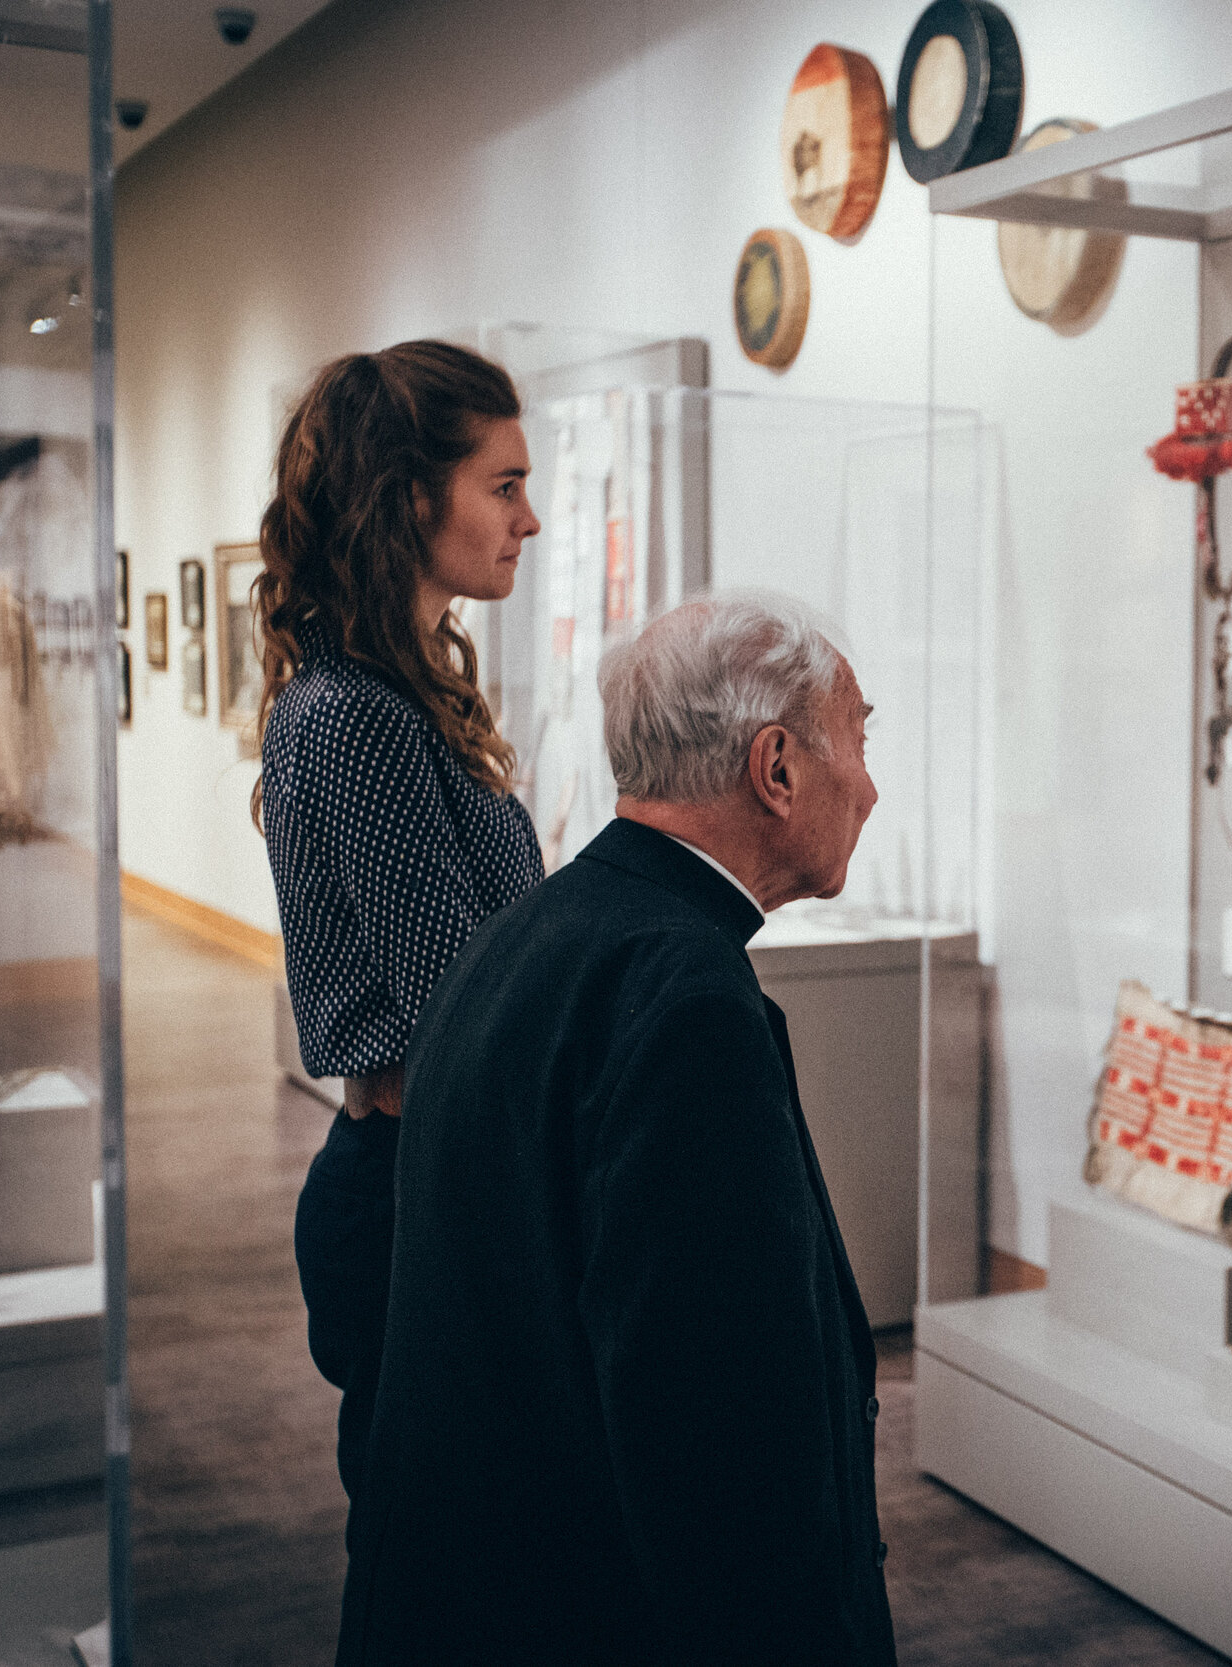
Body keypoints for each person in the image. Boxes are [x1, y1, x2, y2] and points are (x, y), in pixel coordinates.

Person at [336, 592, 894, 1666]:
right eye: (858, 739)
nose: (868, 785)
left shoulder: (540, 931)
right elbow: (713, 1437)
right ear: (775, 769)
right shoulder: (683, 1002)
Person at [253, 340, 544, 1505]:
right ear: (413, 495)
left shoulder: (391, 694)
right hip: (416, 1182)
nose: (530, 517)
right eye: (505, 485)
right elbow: (456, 995)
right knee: (431, 1560)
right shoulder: (357, 715)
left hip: (438, 1168)